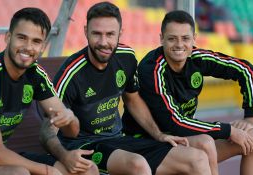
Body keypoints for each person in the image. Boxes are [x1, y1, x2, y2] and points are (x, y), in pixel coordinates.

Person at [40, 2, 216, 175]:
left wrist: (158, 134)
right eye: (96, 34)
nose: (103, 42)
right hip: (85, 146)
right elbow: (48, 128)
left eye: (110, 34)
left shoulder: (126, 57)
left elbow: (132, 99)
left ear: (120, 34)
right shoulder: (71, 73)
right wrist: (64, 156)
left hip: (119, 140)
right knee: (137, 165)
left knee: (197, 159)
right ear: (86, 32)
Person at [122, 10, 253, 175]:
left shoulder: (197, 58)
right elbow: (175, 122)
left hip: (183, 140)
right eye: (172, 38)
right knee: (204, 143)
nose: (179, 45)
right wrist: (229, 130)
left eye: (185, 38)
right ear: (161, 39)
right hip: (148, 144)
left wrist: (251, 116)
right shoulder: (152, 69)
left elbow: (246, 69)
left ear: (194, 39)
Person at [0, 7, 88, 175]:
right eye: (22, 38)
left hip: (2, 159)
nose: (28, 47)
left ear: (43, 46)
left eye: (36, 41)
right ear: (8, 37)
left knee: (86, 169)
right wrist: (47, 171)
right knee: (19, 173)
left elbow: (71, 132)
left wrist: (70, 118)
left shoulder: (35, 74)